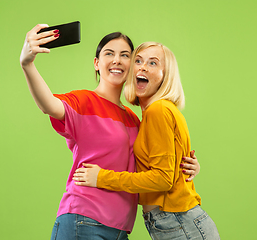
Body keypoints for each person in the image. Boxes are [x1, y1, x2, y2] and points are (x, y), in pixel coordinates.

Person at [73, 42, 220, 240]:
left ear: (165, 75)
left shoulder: (158, 111)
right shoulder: (153, 114)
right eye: (139, 61)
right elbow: (168, 167)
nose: (142, 67)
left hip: (179, 223)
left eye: (153, 63)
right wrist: (192, 167)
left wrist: (102, 178)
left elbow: (162, 179)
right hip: (175, 222)